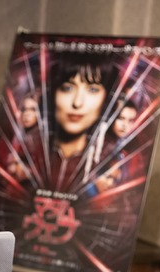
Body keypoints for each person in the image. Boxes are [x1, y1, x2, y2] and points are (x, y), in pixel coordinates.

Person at [47, 52, 117, 192]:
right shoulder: (26, 149)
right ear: (53, 92)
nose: (77, 102)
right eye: (67, 88)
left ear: (106, 99)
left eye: (92, 89)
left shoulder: (113, 160)